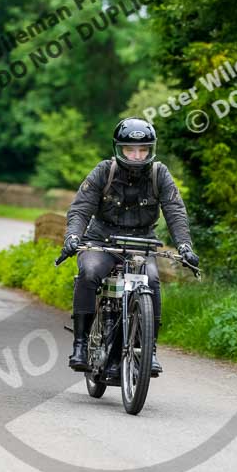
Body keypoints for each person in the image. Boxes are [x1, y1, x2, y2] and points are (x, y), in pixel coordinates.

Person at [63, 117, 199, 379]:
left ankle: (150, 350)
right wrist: (72, 237)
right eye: (130, 150)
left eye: (142, 150)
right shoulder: (104, 171)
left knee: (152, 280)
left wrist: (185, 246)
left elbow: (175, 211)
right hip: (102, 240)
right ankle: (80, 345)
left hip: (142, 242)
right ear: (119, 149)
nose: (136, 156)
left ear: (151, 149)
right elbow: (81, 208)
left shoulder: (160, 174)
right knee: (89, 273)